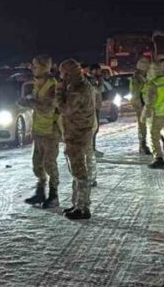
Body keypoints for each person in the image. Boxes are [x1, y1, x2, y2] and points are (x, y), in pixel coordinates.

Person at [56, 59, 98, 220]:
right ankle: (77, 205)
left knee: (80, 172)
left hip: (77, 134)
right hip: (79, 132)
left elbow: (65, 109)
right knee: (77, 170)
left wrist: (59, 92)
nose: (60, 77)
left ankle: (83, 207)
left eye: (62, 73)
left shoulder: (78, 90)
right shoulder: (82, 85)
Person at [21, 55, 61, 209]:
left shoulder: (52, 85)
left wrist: (30, 103)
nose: (32, 68)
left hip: (51, 131)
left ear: (44, 67)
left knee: (49, 163)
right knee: (37, 164)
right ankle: (40, 191)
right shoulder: (38, 83)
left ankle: (53, 195)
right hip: (40, 129)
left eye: (36, 65)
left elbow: (48, 107)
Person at [131, 58, 150, 155]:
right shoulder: (137, 79)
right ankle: (142, 145)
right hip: (140, 104)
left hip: (145, 104)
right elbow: (136, 94)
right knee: (142, 126)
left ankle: (143, 145)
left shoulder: (143, 76)